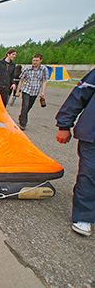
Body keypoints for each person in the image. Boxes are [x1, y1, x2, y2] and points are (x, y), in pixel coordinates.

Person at [55, 68, 95, 236]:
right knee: (89, 174)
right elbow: (78, 96)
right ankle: (84, 215)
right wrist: (64, 125)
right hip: (92, 134)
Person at [15, 54, 47, 130]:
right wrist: (18, 91)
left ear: (41, 60)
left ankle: (21, 116)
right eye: (33, 60)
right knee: (25, 106)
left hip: (35, 91)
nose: (34, 62)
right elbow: (21, 80)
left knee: (28, 107)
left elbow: (44, 81)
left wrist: (43, 92)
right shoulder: (28, 69)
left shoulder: (43, 69)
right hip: (26, 90)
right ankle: (23, 124)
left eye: (37, 60)